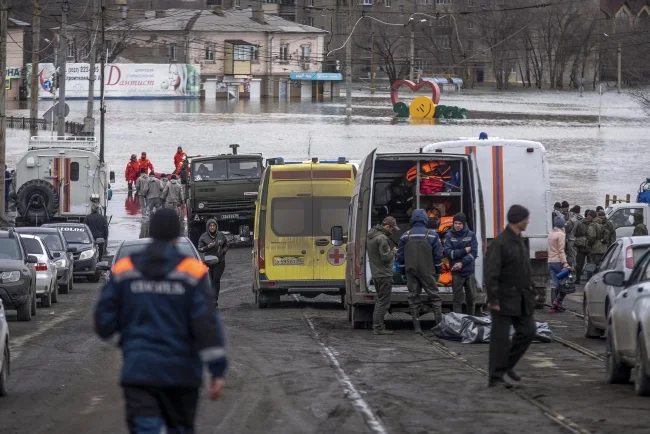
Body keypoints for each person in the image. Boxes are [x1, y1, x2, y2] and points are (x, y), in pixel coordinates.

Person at [94, 209, 227, 434]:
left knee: (145, 427)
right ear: (177, 234)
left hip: (139, 372)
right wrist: (217, 370)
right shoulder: (192, 272)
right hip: (182, 374)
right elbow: (206, 324)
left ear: (151, 232)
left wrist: (129, 340)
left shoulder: (126, 269)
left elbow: (103, 319)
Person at [485, 205, 537, 388]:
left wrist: (533, 292)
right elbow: (491, 273)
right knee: (500, 339)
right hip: (503, 299)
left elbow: (526, 270)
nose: (528, 222)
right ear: (519, 220)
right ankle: (495, 377)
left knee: (528, 331)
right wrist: (493, 299)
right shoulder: (500, 243)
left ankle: (507, 365)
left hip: (522, 298)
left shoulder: (519, 241)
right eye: (526, 219)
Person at [396, 209, 443, 334]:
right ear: (425, 219)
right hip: (428, 272)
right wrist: (438, 271)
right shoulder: (432, 235)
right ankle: (438, 327)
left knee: (413, 298)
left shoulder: (405, 235)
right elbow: (438, 255)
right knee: (435, 298)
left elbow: (400, 257)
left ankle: (417, 328)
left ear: (413, 220)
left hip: (411, 272)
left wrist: (402, 272)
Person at [367, 216, 399, 335]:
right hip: (384, 274)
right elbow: (385, 257)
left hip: (376, 273)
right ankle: (379, 328)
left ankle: (378, 326)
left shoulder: (371, 235)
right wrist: (393, 252)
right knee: (383, 302)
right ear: (387, 226)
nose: (392, 231)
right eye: (392, 228)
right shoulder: (382, 238)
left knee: (380, 301)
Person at [444, 212, 478, 316]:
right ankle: (457, 324)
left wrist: (462, 263)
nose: (457, 225)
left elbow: (474, 253)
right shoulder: (449, 235)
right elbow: (449, 253)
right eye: (455, 223)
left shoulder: (471, 235)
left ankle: (470, 321)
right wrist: (464, 250)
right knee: (457, 301)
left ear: (464, 224)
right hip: (456, 273)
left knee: (471, 300)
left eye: (460, 223)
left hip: (469, 273)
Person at [197, 219, 229, 306]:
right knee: (210, 280)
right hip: (208, 262)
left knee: (216, 279)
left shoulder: (221, 235)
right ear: (208, 227)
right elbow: (199, 248)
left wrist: (223, 251)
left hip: (220, 261)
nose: (212, 227)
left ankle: (215, 299)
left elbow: (226, 245)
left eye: (213, 225)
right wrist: (208, 246)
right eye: (210, 226)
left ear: (216, 226)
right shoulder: (203, 237)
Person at [548, 216, 569, 312]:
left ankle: (554, 307)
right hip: (558, 262)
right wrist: (565, 263)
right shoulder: (561, 234)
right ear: (562, 225)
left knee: (556, 285)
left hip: (550, 262)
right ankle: (558, 301)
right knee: (564, 284)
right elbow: (561, 250)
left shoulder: (550, 234)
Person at [574, 210, 596, 284]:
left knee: (579, 264)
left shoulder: (580, 222)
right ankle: (588, 280)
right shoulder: (594, 224)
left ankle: (577, 279)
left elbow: (575, 233)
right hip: (590, 246)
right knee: (590, 264)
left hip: (581, 246)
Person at [564, 205, 582, 269]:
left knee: (572, 255)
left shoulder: (573, 220)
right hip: (580, 240)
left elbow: (566, 228)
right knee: (578, 255)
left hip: (572, 239)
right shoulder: (581, 218)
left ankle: (572, 268)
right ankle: (578, 268)